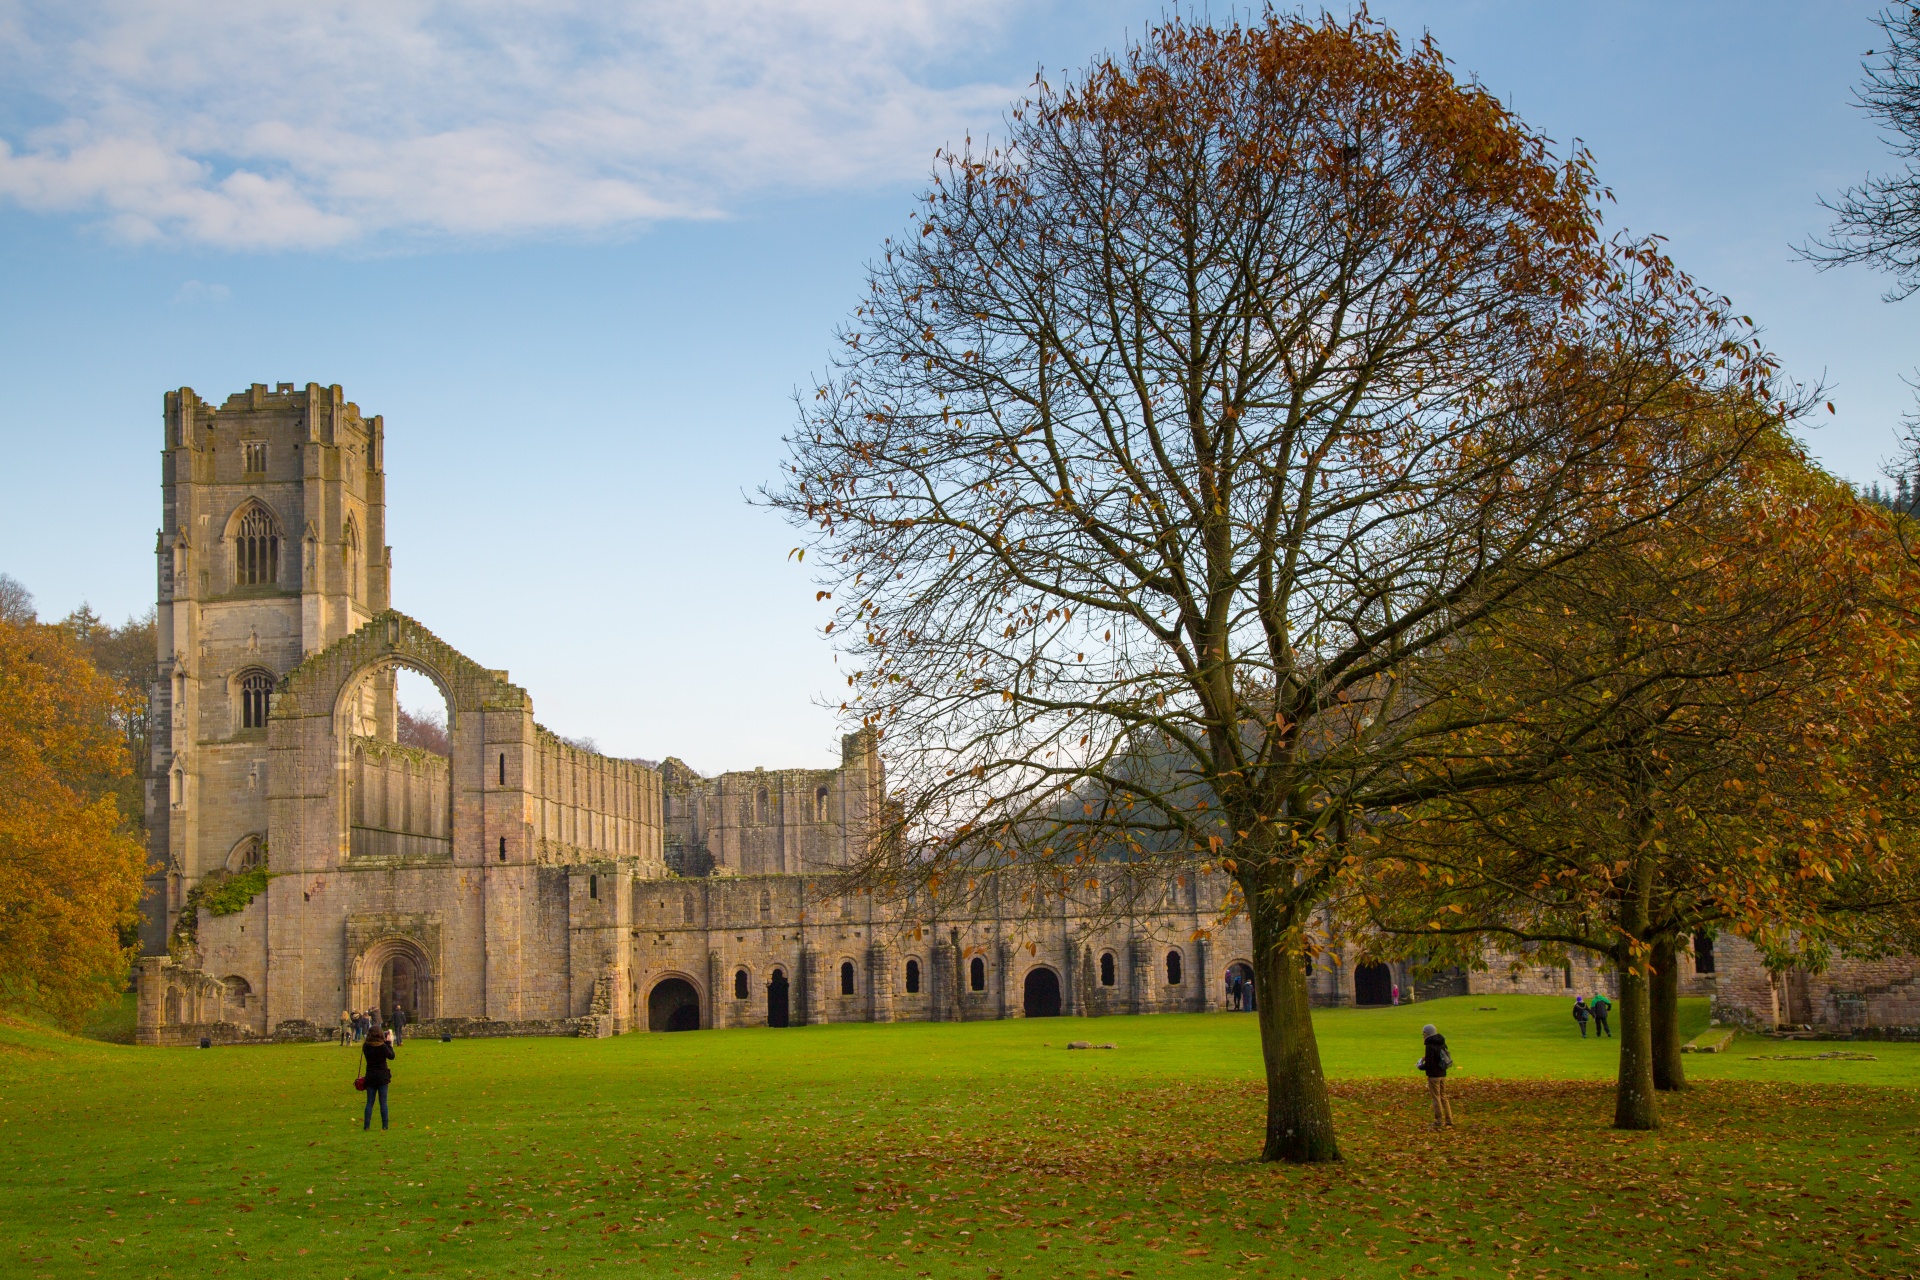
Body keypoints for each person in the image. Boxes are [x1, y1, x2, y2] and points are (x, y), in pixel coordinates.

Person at [1419, 1023, 1455, 1129]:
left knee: (1436, 1098)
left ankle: (1439, 1120)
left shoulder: (1429, 1045)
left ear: (1427, 1033)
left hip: (1434, 1075)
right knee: (1444, 1096)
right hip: (1442, 1073)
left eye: (1424, 1033)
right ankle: (1449, 1119)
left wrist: (1421, 1066)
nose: (1423, 1035)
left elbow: (1430, 1063)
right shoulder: (1441, 1042)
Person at [361, 1028, 396, 1131]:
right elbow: (392, 1056)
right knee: (383, 1102)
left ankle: (366, 1126)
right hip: (382, 1076)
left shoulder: (366, 1046)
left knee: (369, 1103)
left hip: (370, 1076)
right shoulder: (383, 1047)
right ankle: (385, 1125)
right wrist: (390, 1043)